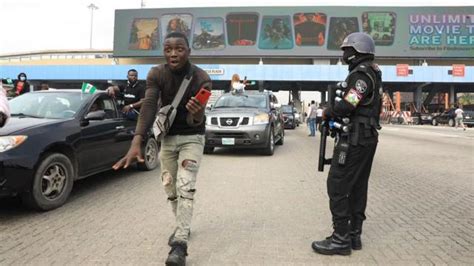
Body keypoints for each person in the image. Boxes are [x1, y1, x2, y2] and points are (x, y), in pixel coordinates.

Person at [112, 32, 212, 266]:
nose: (173, 54)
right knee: (169, 186)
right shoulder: (156, 74)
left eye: (179, 49)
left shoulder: (202, 78)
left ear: (189, 51)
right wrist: (136, 141)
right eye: (168, 49)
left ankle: (179, 245)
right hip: (167, 139)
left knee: (185, 186)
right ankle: (183, 226)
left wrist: (197, 112)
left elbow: (195, 122)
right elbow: (148, 105)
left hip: (192, 137)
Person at [312, 32, 382, 256]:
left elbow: (349, 103)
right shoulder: (372, 72)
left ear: (358, 51)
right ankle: (354, 236)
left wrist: (327, 111)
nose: (344, 54)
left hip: (356, 138)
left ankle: (340, 239)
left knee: (338, 186)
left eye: (347, 50)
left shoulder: (361, 75)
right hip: (365, 136)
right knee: (358, 186)